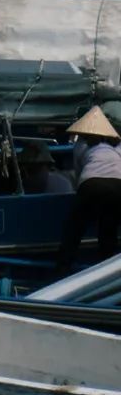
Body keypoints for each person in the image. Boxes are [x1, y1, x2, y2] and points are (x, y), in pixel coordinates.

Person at [55, 108, 121, 273]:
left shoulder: (81, 146)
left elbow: (79, 175)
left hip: (91, 183)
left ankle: (63, 268)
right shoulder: (117, 145)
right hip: (118, 184)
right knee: (109, 228)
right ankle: (106, 270)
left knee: (75, 228)